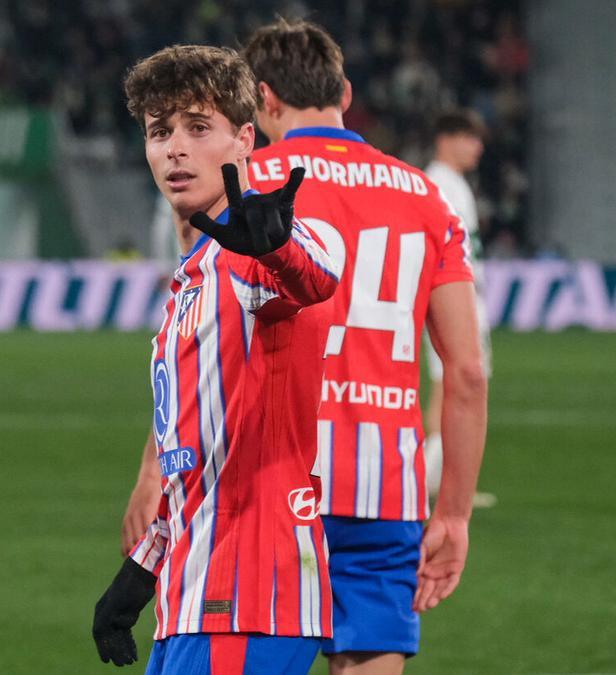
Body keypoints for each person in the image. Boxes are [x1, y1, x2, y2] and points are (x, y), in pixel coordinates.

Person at [243, 20, 487, 673]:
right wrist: (455, 513)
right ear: (345, 92)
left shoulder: (247, 181)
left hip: (269, 481)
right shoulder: (424, 195)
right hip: (384, 488)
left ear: (264, 98)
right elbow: (467, 370)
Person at [93, 45, 340, 673]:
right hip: (195, 596)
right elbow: (197, 466)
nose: (175, 148)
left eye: (197, 128)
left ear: (245, 140)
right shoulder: (190, 280)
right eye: (159, 132)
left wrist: (275, 243)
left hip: (249, 598)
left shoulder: (252, 255)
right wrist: (140, 573)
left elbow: (319, 277)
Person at [421, 110, 496, 507]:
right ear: (445, 139)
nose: (478, 146)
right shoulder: (438, 184)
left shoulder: (455, 184)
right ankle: (433, 480)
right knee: (451, 383)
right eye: (470, 137)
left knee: (452, 383)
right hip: (451, 298)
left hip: (464, 295)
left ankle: (443, 478)